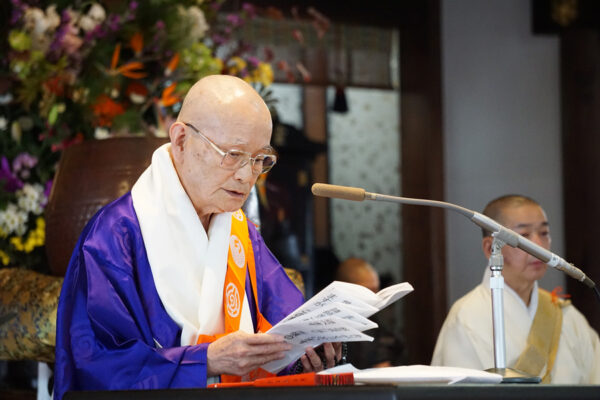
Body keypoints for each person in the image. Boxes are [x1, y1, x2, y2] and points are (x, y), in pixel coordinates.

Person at [54, 75, 341, 399]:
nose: (247, 176)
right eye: (233, 155)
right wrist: (204, 361)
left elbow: (281, 327)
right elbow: (94, 368)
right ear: (180, 141)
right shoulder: (115, 236)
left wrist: (310, 352)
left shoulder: (238, 230)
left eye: (260, 160)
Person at [431, 195, 600, 383]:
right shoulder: (466, 317)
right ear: (490, 248)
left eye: (544, 233)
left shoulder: (567, 315)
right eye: (524, 236)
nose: (538, 245)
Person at [335, 257, 404, 368]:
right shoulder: (330, 327)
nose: (375, 297)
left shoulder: (377, 320)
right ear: (346, 291)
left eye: (377, 289)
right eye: (369, 290)